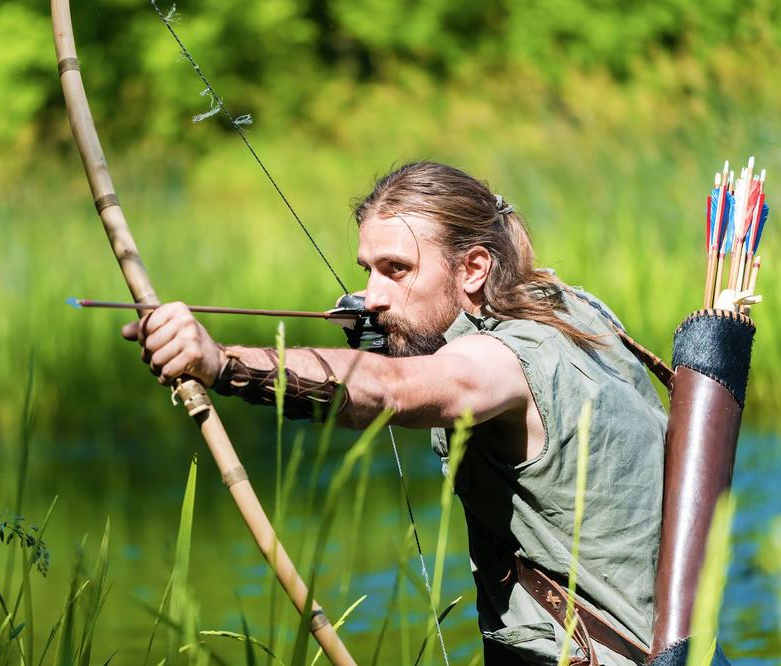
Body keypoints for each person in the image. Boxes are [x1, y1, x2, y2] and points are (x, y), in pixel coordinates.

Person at [121, 162, 666, 665]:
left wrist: (221, 364)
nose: (371, 296)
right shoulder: (569, 305)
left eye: (396, 269)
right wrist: (391, 339)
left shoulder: (502, 364)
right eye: (369, 270)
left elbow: (395, 389)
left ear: (474, 267)